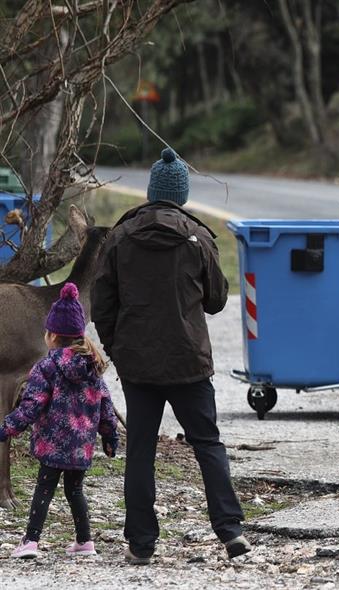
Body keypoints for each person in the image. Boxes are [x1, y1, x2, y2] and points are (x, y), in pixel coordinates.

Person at [91, 148, 250, 565]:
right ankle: (231, 531)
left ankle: (141, 544)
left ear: (150, 192)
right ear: (181, 195)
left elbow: (102, 304)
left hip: (137, 365)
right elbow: (216, 300)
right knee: (208, 443)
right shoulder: (197, 238)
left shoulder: (120, 238)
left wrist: (117, 349)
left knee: (141, 449)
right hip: (189, 362)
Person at [0, 282, 119, 559]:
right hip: (81, 448)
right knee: (75, 491)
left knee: (44, 490)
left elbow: (30, 407)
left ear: (52, 335)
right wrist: (110, 437)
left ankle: (30, 541)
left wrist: (6, 429)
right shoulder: (93, 366)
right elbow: (106, 407)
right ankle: (85, 541)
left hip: (52, 447)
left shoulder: (47, 367)